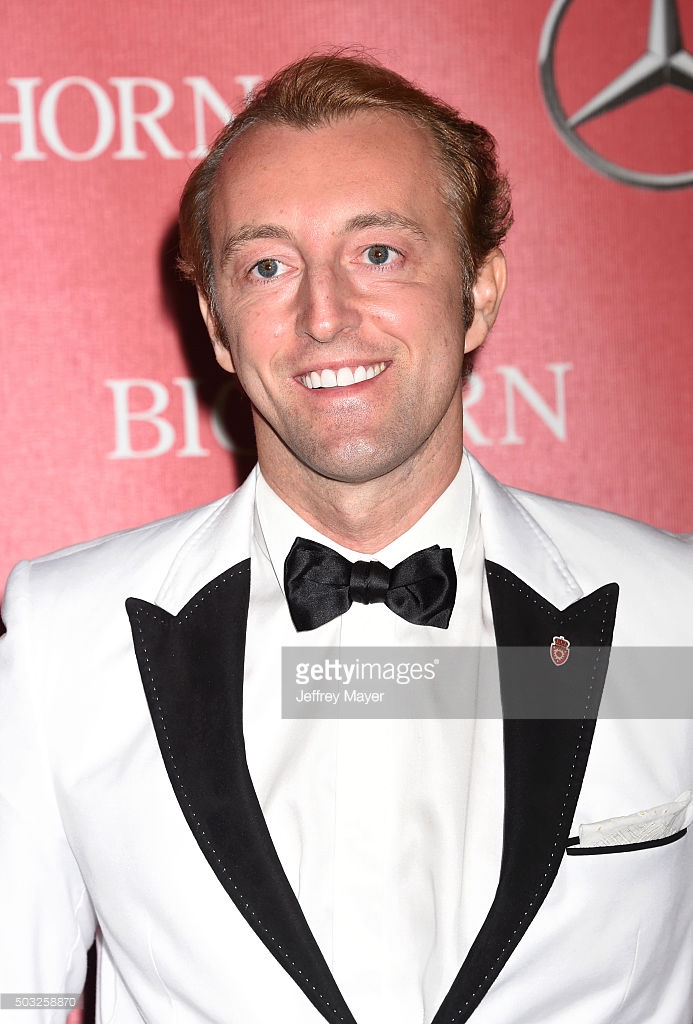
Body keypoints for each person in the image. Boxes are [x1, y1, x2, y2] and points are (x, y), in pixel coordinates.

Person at [1, 53, 692, 1024]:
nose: (324, 317)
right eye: (268, 267)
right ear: (218, 325)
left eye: (379, 254)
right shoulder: (67, 640)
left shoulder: (673, 619)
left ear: (478, 293)